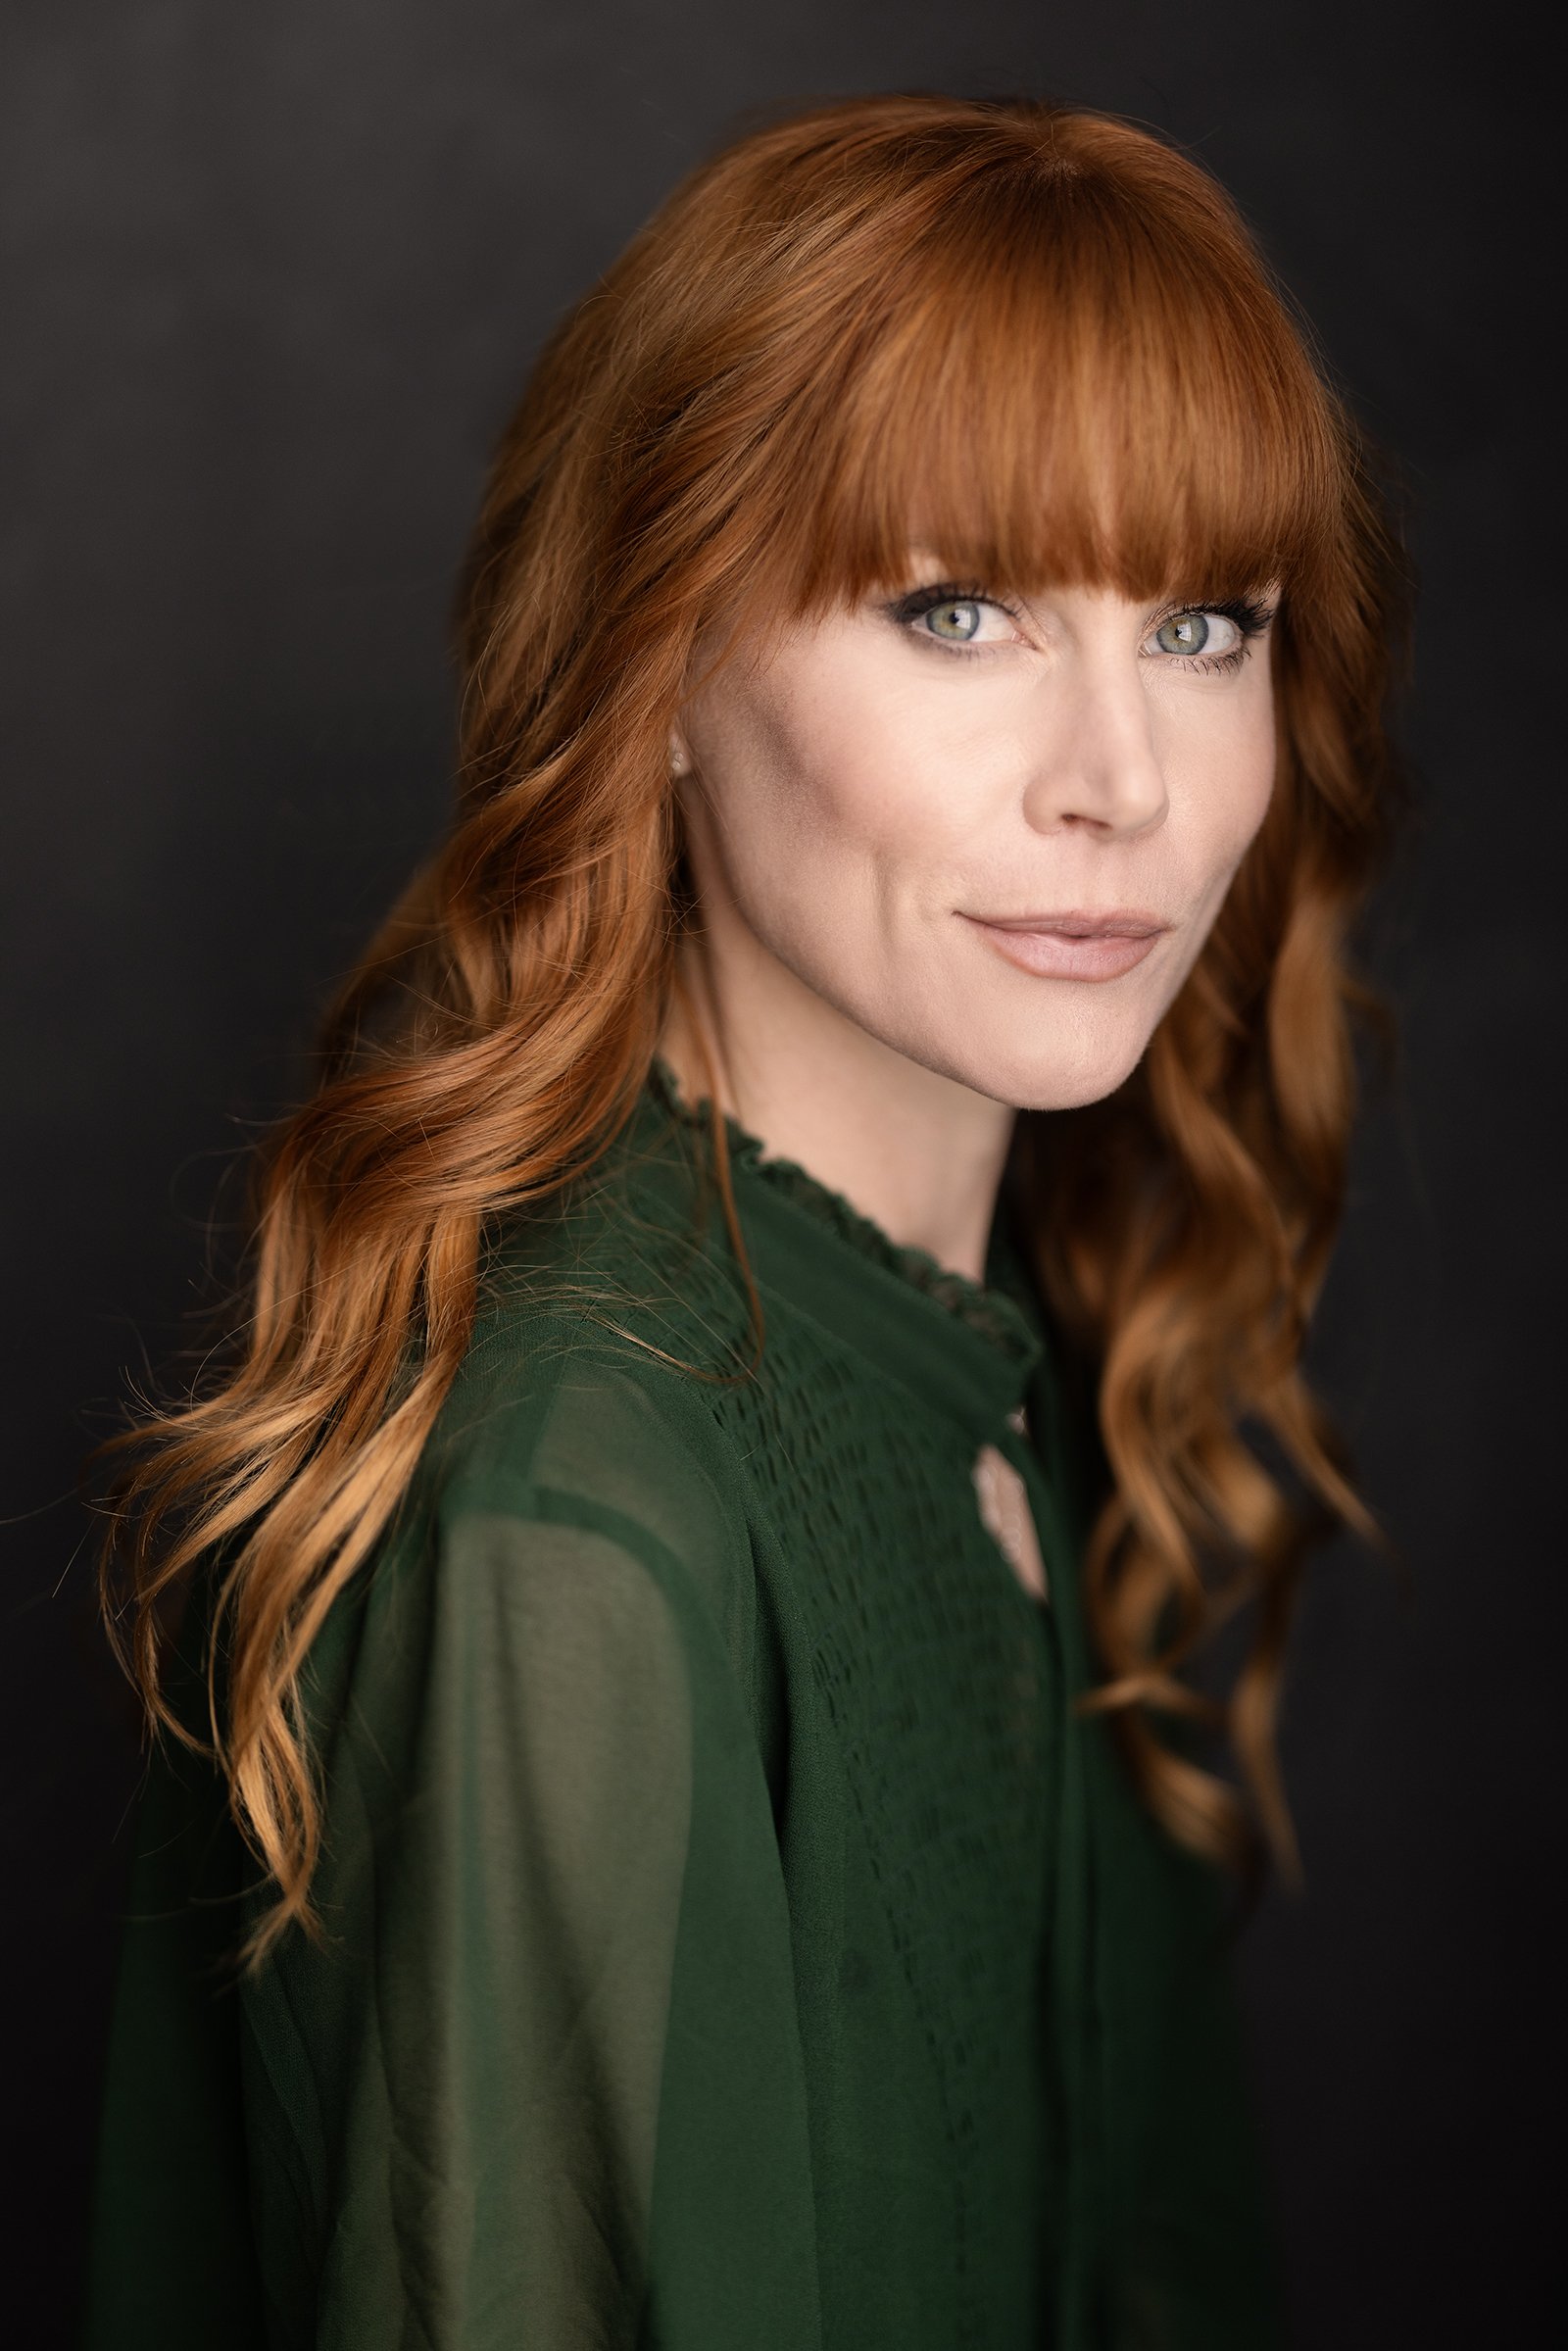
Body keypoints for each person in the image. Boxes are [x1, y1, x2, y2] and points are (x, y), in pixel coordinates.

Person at [83, 93, 1405, 2350]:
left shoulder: (989, 1348)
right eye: (959, 608)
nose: (1122, 778)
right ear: (659, 666)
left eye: (1203, 623)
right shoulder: (567, 1523)